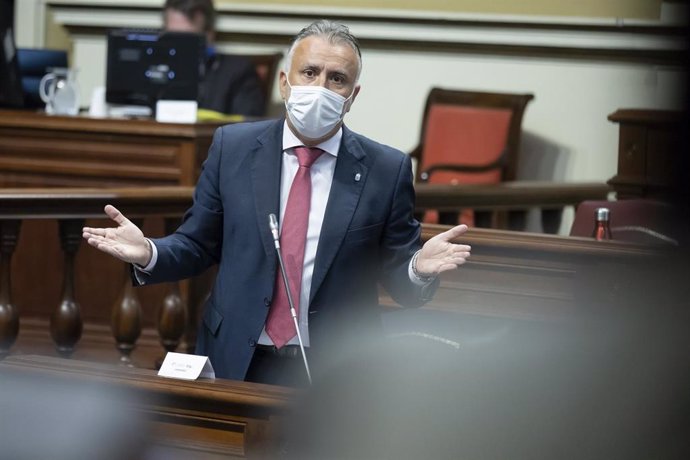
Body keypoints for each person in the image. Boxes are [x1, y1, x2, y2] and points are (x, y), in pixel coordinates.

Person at [82, 19, 471, 386]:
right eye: (310, 72)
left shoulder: (386, 169)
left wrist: (418, 269)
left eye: (337, 79)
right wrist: (149, 251)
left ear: (352, 97)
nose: (320, 87)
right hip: (236, 355)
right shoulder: (232, 149)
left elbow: (399, 278)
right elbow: (199, 244)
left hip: (335, 374)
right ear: (285, 83)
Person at [163, 0, 265, 116]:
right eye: (171, 38)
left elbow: (248, 127)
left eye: (187, 40)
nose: (178, 47)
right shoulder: (155, 69)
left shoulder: (238, 73)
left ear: (210, 34)